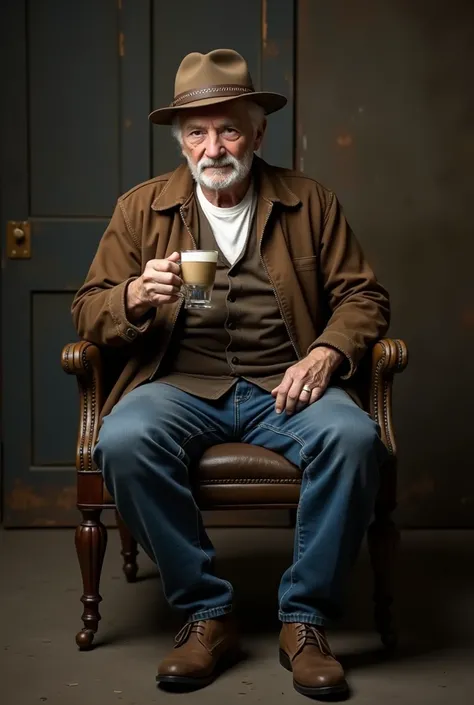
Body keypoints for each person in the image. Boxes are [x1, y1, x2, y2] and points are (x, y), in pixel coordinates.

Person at [72, 48, 390, 699]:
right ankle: (206, 611)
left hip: (287, 384)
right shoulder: (141, 209)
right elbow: (87, 309)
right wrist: (131, 296)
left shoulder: (310, 203)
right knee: (123, 438)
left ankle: (304, 621)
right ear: (181, 140)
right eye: (197, 131)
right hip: (179, 386)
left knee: (355, 438)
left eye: (229, 128)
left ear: (258, 132)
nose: (213, 145)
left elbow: (365, 299)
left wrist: (326, 353)